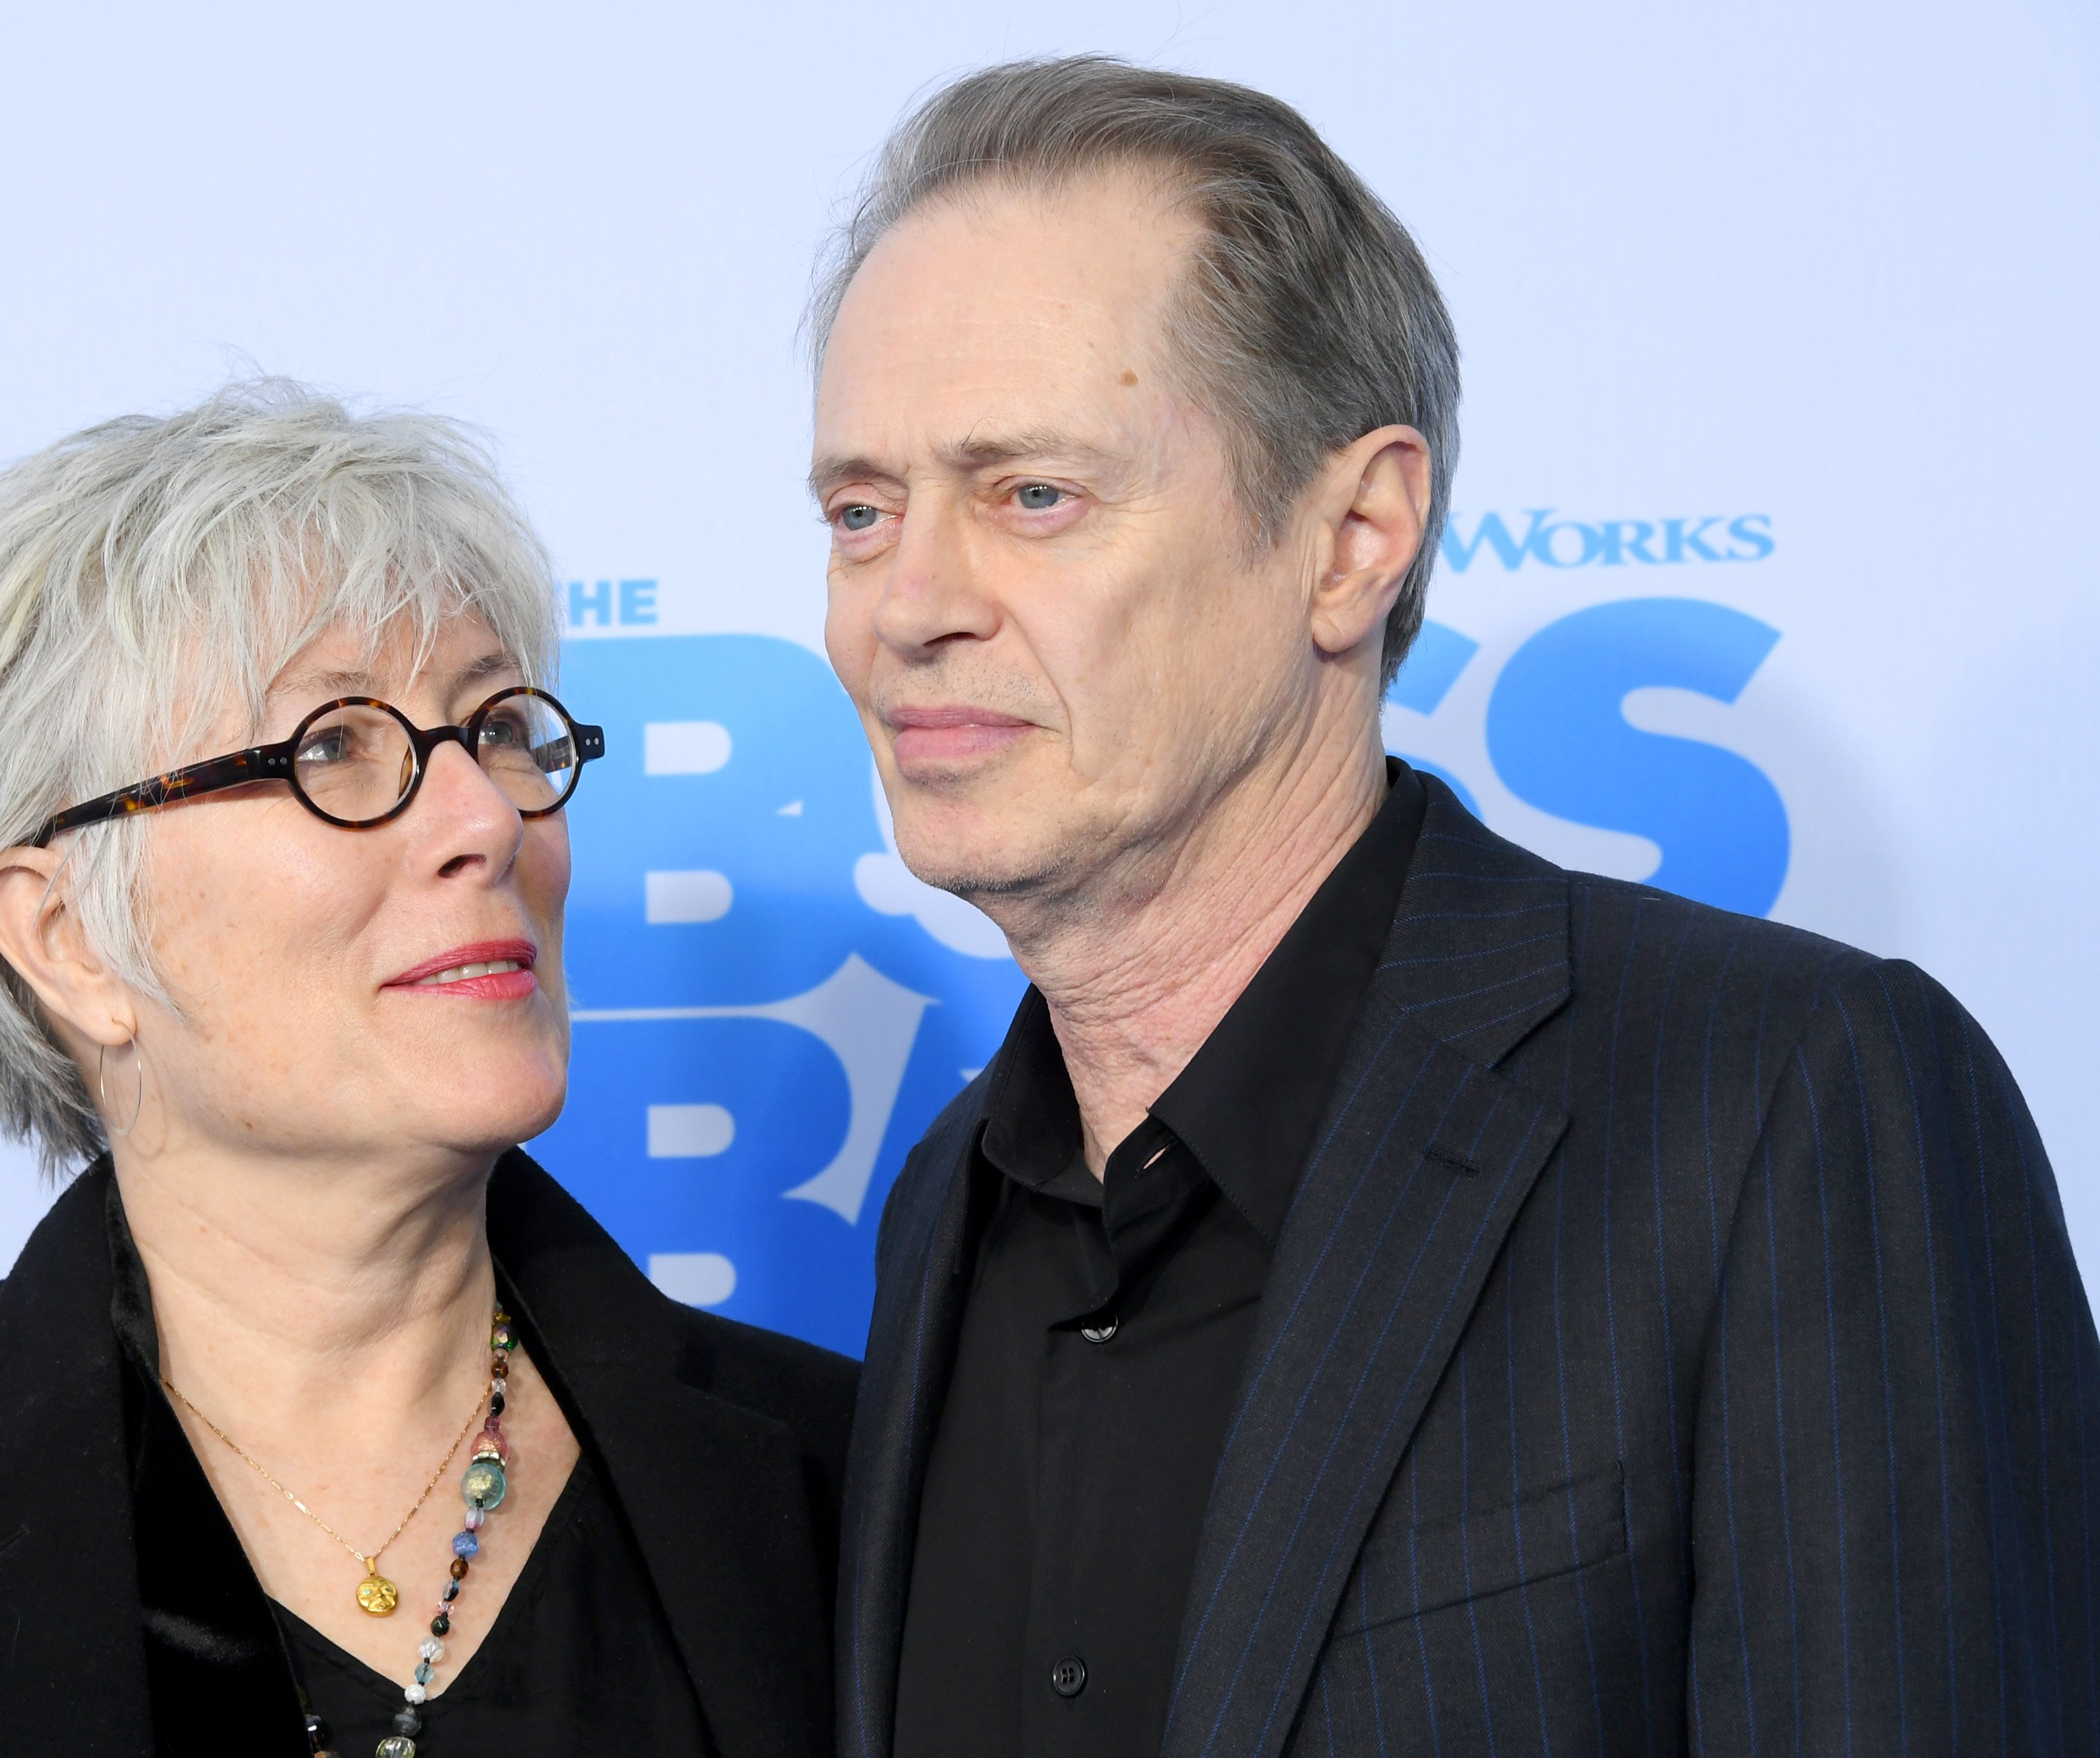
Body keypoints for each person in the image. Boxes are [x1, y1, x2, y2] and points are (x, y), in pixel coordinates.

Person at [811, 56, 2100, 1757]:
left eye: (1031, 494)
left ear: (1354, 537)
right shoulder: (940, 1210)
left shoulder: (1791, 1099)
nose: (907, 606)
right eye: (859, 511)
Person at [0, 382, 853, 1758]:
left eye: (498, 727)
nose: (482, 817)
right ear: (67, 938)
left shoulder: (851, 1475)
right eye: (335, 747)